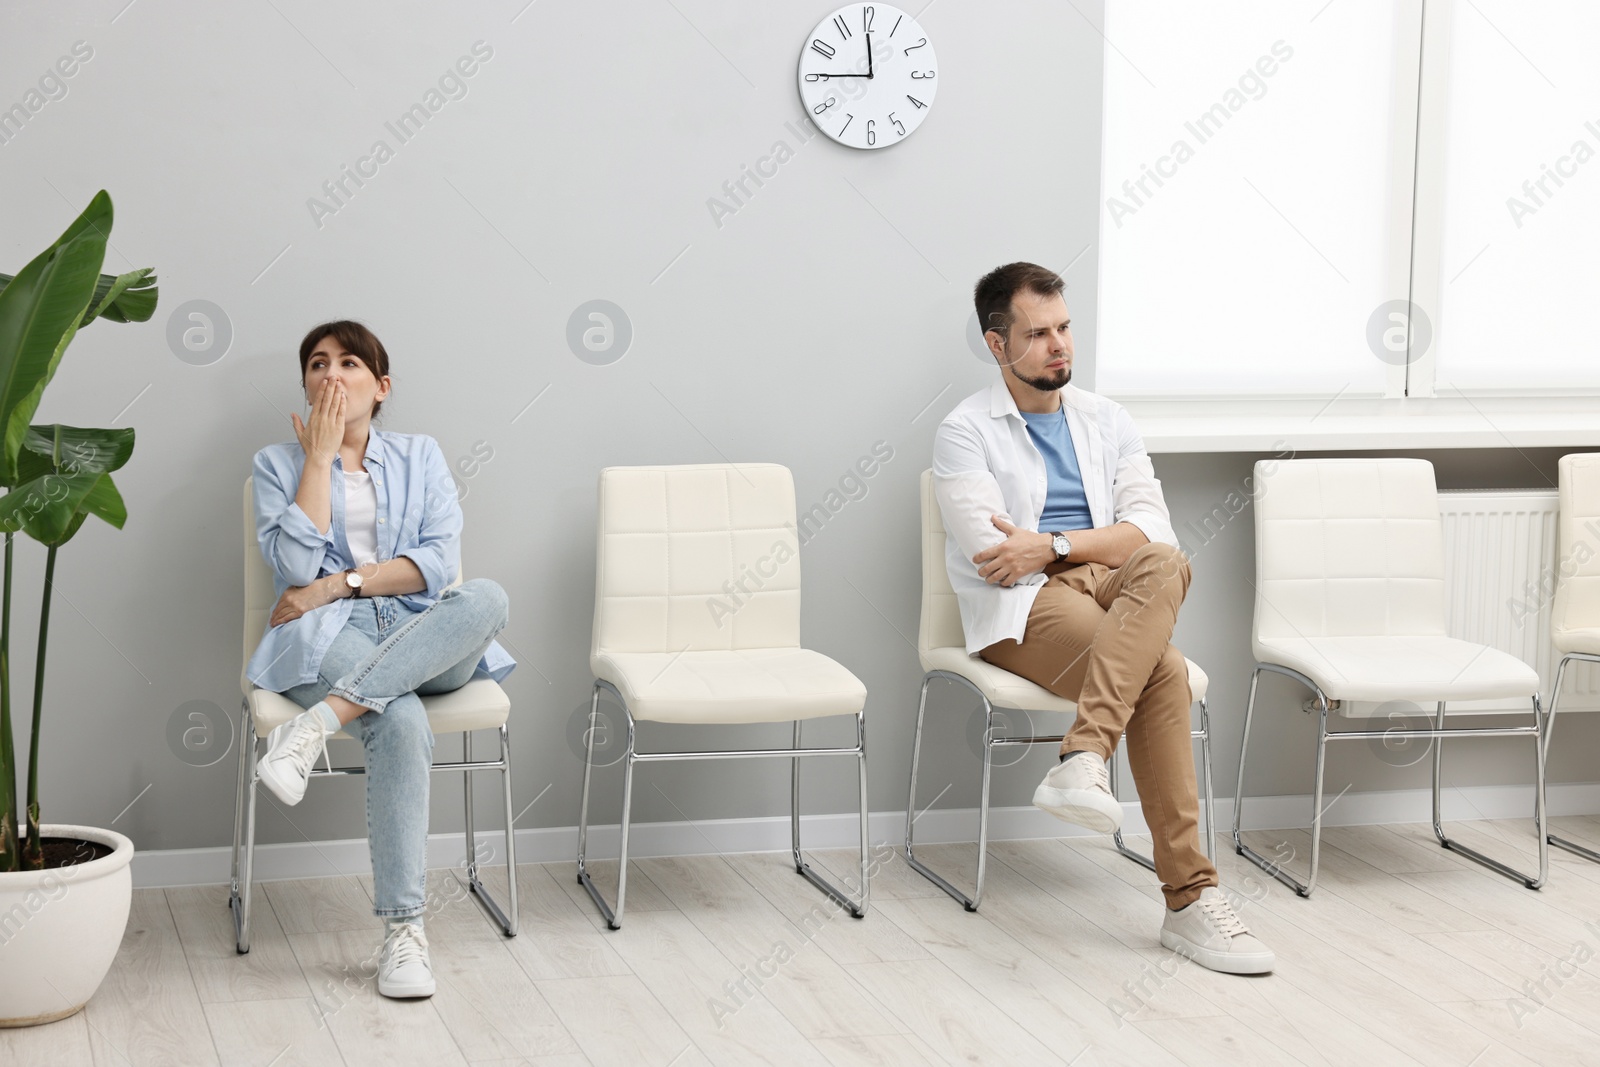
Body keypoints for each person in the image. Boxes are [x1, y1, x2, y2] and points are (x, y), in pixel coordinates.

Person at [931, 263, 1273, 975]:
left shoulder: (1106, 418)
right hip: (1023, 610)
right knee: (1165, 672)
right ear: (997, 345)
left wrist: (1054, 544)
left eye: (1063, 328)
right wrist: (1085, 547)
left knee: (1168, 562)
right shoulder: (964, 431)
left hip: (1098, 586)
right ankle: (1189, 900)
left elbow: (1150, 530)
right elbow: (998, 557)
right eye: (1037, 334)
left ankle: (1084, 756)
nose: (1058, 345)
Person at [246, 320, 515, 998]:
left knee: (487, 594)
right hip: (330, 636)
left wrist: (340, 582)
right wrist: (318, 460)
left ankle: (314, 727)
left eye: (347, 363)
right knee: (399, 723)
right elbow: (294, 564)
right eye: (316, 364)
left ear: (381, 385)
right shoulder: (276, 465)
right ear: (306, 384)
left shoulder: (421, 455)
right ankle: (403, 932)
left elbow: (436, 564)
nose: (330, 374)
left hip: (426, 630)